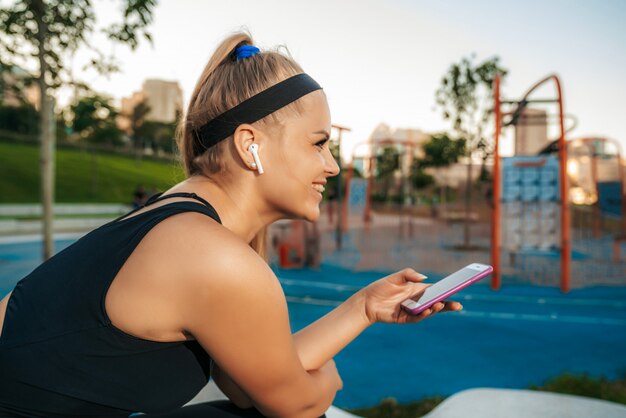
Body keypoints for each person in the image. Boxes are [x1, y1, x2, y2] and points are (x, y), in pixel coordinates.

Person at [0, 31, 462, 418]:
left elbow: (250, 379)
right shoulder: (215, 258)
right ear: (250, 145)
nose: (333, 165)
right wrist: (326, 381)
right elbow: (296, 407)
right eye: (319, 143)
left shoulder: (179, 215)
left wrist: (363, 307)